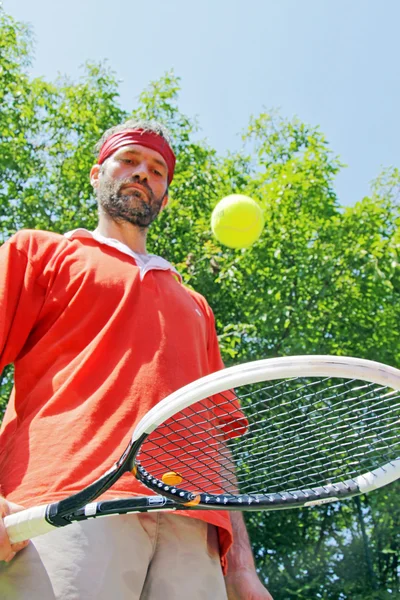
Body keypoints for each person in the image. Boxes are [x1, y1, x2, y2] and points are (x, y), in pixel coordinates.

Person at [0, 119, 273, 600]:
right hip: (65, 504)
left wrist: (241, 568)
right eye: (128, 160)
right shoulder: (41, 253)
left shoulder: (196, 307)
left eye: (157, 170)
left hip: (193, 532)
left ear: (164, 197)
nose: (142, 173)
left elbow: (217, 442)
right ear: (96, 174)